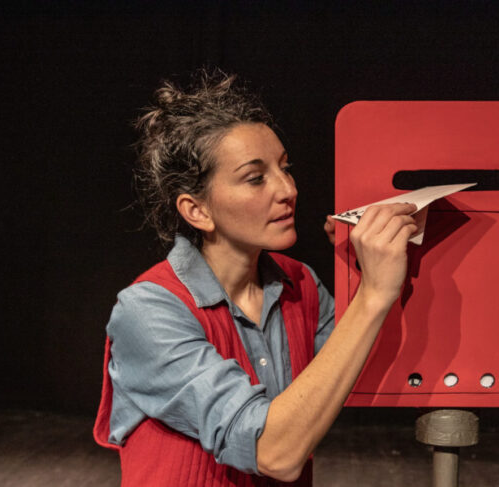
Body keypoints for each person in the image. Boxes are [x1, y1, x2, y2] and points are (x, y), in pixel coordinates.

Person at [93, 69, 419, 487]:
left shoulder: (301, 285)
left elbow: (363, 373)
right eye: (256, 178)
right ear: (197, 211)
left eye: (285, 168)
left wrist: (361, 269)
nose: (288, 190)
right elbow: (273, 451)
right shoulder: (147, 311)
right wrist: (372, 294)